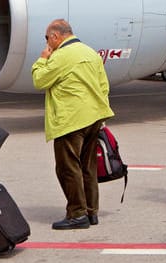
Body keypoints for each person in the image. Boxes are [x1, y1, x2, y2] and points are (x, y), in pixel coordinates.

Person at [31, 18, 114, 230]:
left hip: (71, 119)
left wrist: (42, 60)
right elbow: (104, 86)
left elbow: (40, 80)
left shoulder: (60, 56)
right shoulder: (90, 52)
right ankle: (91, 211)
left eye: (47, 38)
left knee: (68, 168)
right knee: (88, 166)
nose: (47, 43)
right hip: (93, 116)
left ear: (55, 36)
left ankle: (77, 213)